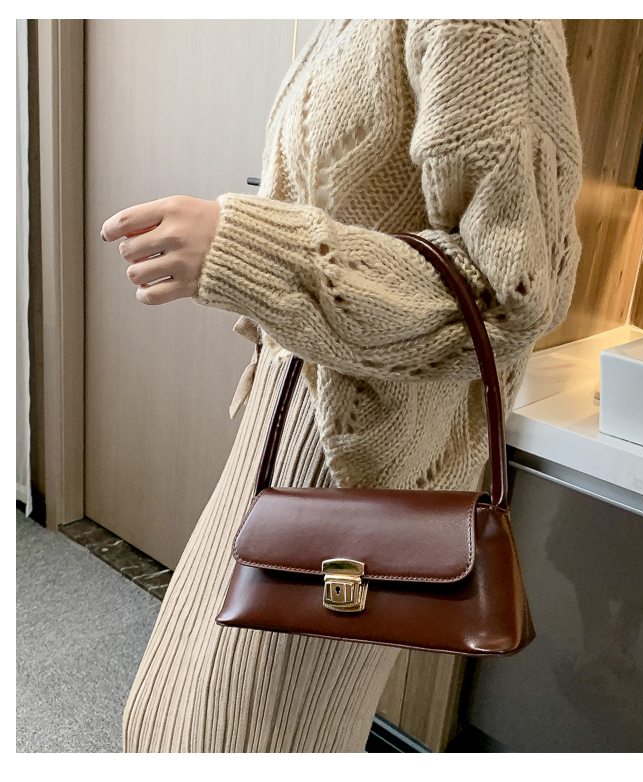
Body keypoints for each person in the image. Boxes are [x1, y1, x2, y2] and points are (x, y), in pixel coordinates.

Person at [100, 19, 583, 753]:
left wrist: (252, 248)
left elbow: (509, 294)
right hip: (285, 423)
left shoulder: (486, 23)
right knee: (168, 715)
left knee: (236, 742)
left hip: (362, 457)